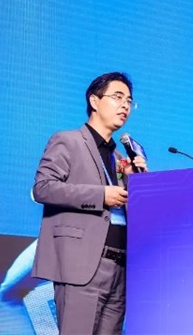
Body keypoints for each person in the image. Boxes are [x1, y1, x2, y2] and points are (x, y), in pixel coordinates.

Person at [31, 72, 147, 334]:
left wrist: (137, 182)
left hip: (121, 268)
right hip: (82, 265)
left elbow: (131, 212)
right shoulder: (67, 141)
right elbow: (43, 188)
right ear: (94, 101)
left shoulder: (120, 158)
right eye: (118, 97)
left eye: (129, 101)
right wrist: (100, 195)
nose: (125, 105)